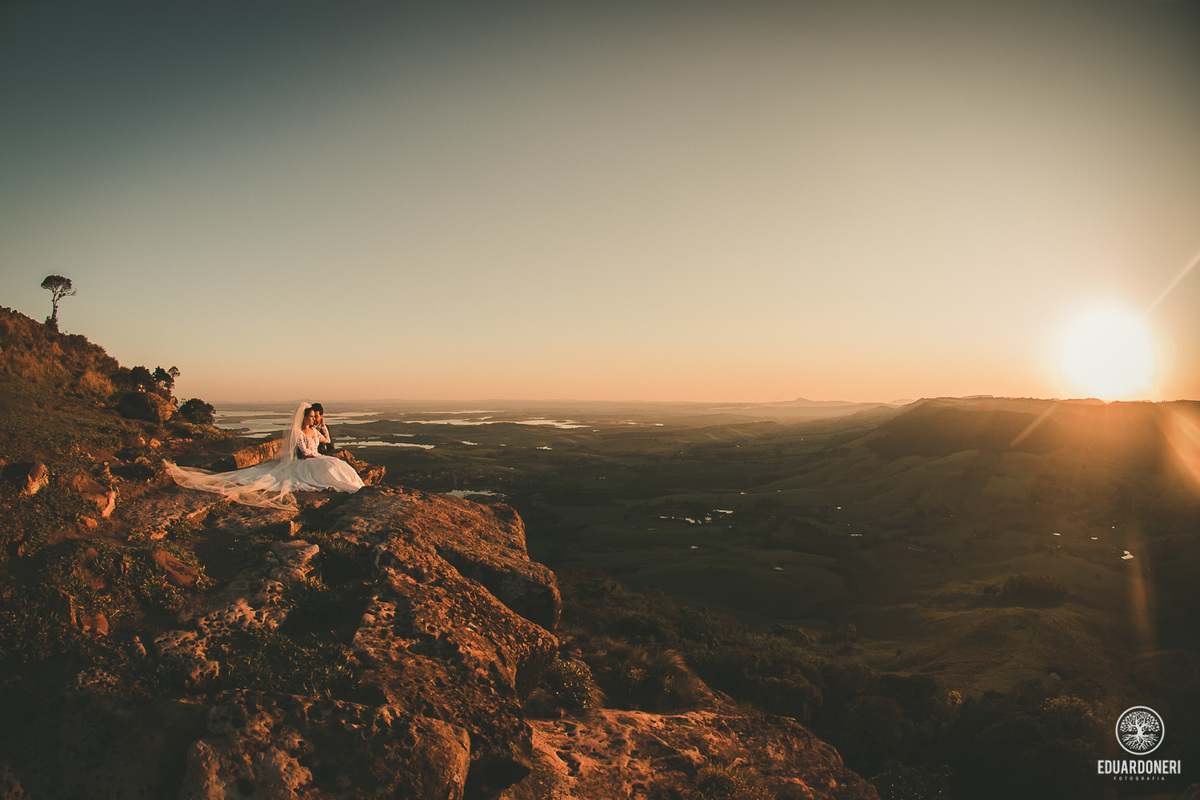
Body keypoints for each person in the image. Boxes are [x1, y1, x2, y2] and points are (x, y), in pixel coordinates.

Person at [165, 401, 364, 508]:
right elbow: (304, 452)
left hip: (316, 458)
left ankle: (355, 487)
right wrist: (316, 457)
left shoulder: (314, 430)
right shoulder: (298, 432)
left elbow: (326, 441)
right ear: (304, 417)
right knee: (328, 468)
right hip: (306, 461)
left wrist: (322, 424)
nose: (313, 419)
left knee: (339, 466)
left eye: (314, 417)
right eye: (311, 417)